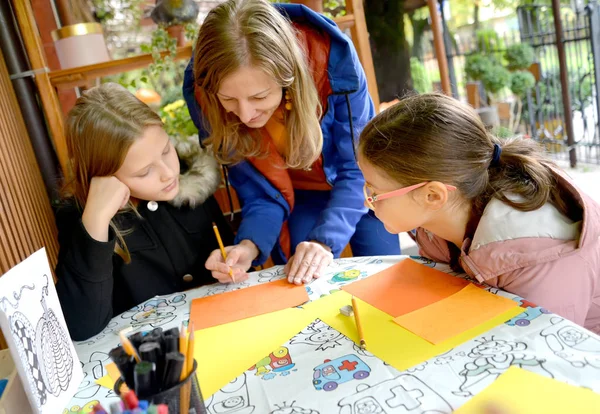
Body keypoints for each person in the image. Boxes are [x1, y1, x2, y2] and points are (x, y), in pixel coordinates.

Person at [182, 0, 400, 286]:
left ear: (289, 79)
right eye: (229, 100)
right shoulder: (204, 96)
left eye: (259, 97)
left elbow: (357, 168)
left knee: (384, 275)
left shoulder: (335, 62)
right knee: (301, 279)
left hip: (367, 184)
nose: (246, 115)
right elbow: (262, 195)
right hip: (299, 196)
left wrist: (324, 243)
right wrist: (247, 247)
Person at [357, 93, 600, 334]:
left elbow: (542, 349)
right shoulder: (436, 226)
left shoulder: (537, 254)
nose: (366, 199)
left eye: (374, 190)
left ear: (432, 195)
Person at [55, 83, 234, 340]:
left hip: (221, 332)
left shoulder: (191, 178)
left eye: (165, 150)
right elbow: (80, 327)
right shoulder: (83, 219)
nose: (168, 172)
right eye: (144, 171)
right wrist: (96, 220)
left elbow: (227, 257)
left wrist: (229, 262)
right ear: (104, 176)